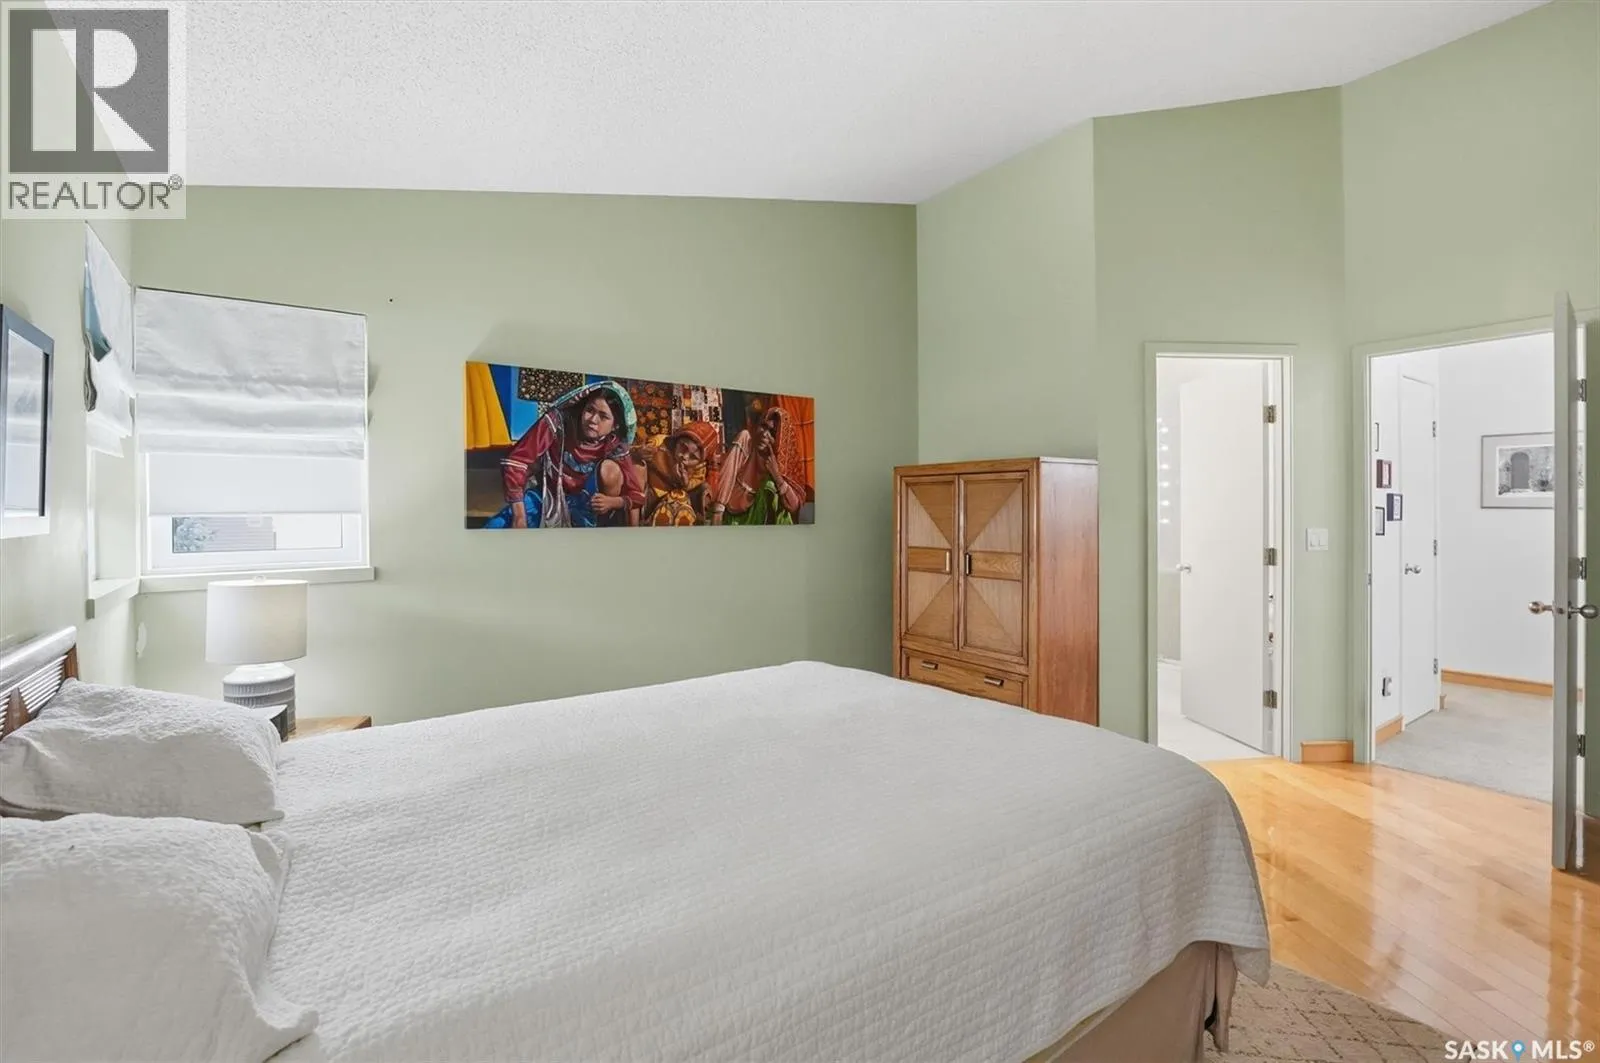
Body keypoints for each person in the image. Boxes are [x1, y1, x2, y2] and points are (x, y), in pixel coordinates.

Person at [484, 381, 644, 528]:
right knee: (496, 527)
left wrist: (613, 502)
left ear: (615, 425)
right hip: (548, 497)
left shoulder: (615, 444)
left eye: (603, 416)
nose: (593, 420)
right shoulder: (557, 422)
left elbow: (636, 494)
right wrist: (519, 517)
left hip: (588, 508)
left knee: (610, 469)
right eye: (589, 410)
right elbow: (516, 461)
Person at [710, 399, 804, 525]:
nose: (764, 434)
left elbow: (794, 507)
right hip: (733, 518)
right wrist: (718, 512)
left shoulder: (781, 461)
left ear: (781, 439)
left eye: (772, 433)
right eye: (763, 426)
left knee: (771, 486)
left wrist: (777, 476)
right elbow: (727, 476)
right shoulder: (746, 441)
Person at [641, 421, 721, 526]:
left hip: (683, 504)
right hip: (652, 494)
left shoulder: (699, 468)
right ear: (677, 439)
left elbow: (696, 483)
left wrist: (686, 483)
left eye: (693, 457)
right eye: (683, 447)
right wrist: (643, 452)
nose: (685, 457)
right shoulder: (659, 442)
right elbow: (638, 452)